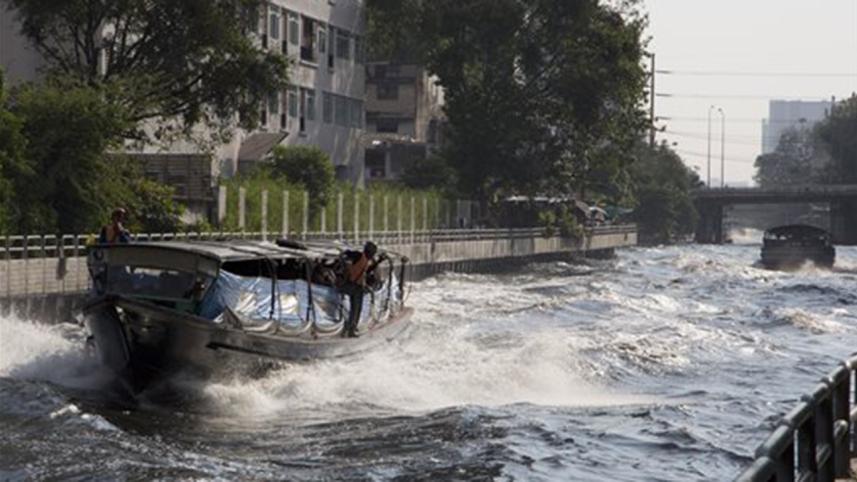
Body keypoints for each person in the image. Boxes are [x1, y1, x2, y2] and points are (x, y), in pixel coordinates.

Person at [339, 241, 383, 338]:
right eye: (372, 253)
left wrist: (378, 261)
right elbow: (348, 254)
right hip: (354, 286)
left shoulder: (364, 259)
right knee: (356, 309)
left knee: (356, 309)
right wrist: (345, 254)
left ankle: (351, 328)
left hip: (355, 286)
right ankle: (351, 330)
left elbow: (367, 270)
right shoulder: (359, 256)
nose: (372, 255)